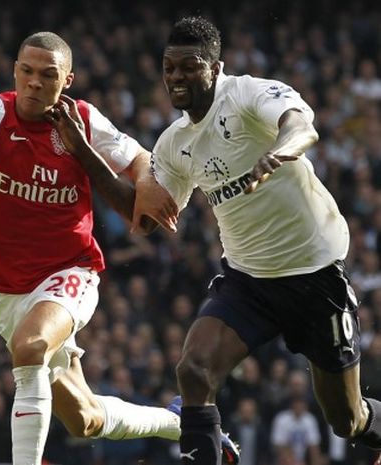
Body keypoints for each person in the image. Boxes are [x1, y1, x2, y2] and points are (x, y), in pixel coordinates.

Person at [0, 31, 239, 465]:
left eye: (47, 75)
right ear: (15, 71)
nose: (34, 82)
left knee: (31, 346)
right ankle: (181, 422)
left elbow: (140, 158)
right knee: (83, 419)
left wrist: (146, 184)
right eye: (26, 72)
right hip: (7, 291)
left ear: (66, 80)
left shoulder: (83, 120)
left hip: (70, 273)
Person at [46, 15, 381, 465]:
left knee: (347, 419)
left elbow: (302, 126)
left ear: (215, 67)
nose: (176, 78)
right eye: (169, 68)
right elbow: (142, 219)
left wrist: (279, 151)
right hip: (248, 280)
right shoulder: (174, 143)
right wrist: (81, 149)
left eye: (189, 66)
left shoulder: (245, 95)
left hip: (314, 275)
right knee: (193, 371)